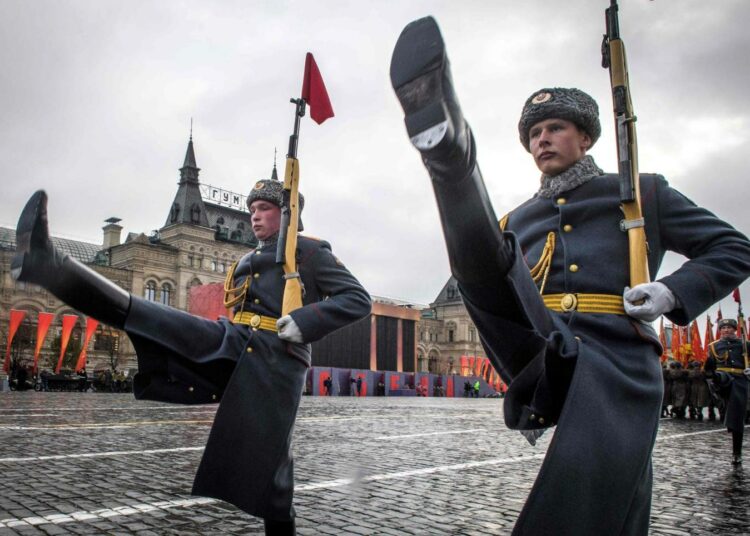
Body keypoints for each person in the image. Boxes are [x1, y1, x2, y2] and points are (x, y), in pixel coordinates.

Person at [390, 17, 750, 535]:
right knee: (482, 253)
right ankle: (449, 153)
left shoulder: (642, 193)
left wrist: (671, 291)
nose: (542, 140)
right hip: (542, 350)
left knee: (607, 482)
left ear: (585, 136)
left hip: (616, 358)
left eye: (554, 128)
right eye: (534, 133)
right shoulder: (518, 220)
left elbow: (733, 247)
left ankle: (450, 152)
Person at [11, 183, 371, 535]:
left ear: (288, 214)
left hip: (276, 362)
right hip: (236, 344)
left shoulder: (310, 253)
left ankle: (48, 264)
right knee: (152, 317)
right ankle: (49, 264)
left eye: (264, 210)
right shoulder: (248, 258)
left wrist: (304, 322)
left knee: (274, 474)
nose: (255, 218)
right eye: (252, 210)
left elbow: (357, 299)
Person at [705, 318, 750, 465]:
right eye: (723, 328)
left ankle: (736, 453)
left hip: (740, 379)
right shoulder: (714, 346)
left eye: (729, 328)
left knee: (737, 417)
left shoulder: (745, 345)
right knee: (719, 376)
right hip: (722, 376)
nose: (726, 330)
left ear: (735, 329)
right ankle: (713, 376)